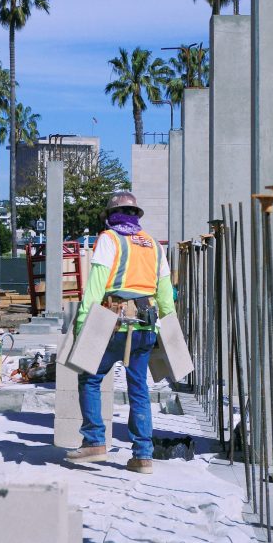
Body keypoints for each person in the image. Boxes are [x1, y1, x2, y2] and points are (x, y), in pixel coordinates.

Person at [66, 191, 175, 474]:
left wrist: (81, 326)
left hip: (114, 324)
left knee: (90, 378)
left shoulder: (109, 239)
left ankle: (94, 442)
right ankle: (143, 455)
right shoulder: (153, 244)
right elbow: (165, 295)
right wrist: (168, 328)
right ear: (136, 215)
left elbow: (95, 287)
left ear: (112, 216)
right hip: (145, 326)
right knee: (138, 387)